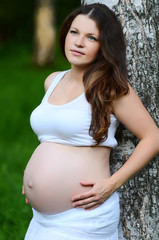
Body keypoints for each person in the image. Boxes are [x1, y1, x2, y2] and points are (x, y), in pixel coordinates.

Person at [22, 3, 159, 240]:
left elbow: (153, 137)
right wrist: (33, 178)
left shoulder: (111, 88)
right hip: (41, 218)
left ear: (104, 45)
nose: (78, 42)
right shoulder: (52, 80)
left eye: (91, 37)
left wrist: (111, 185)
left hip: (82, 217)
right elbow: (53, 138)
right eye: (74, 32)